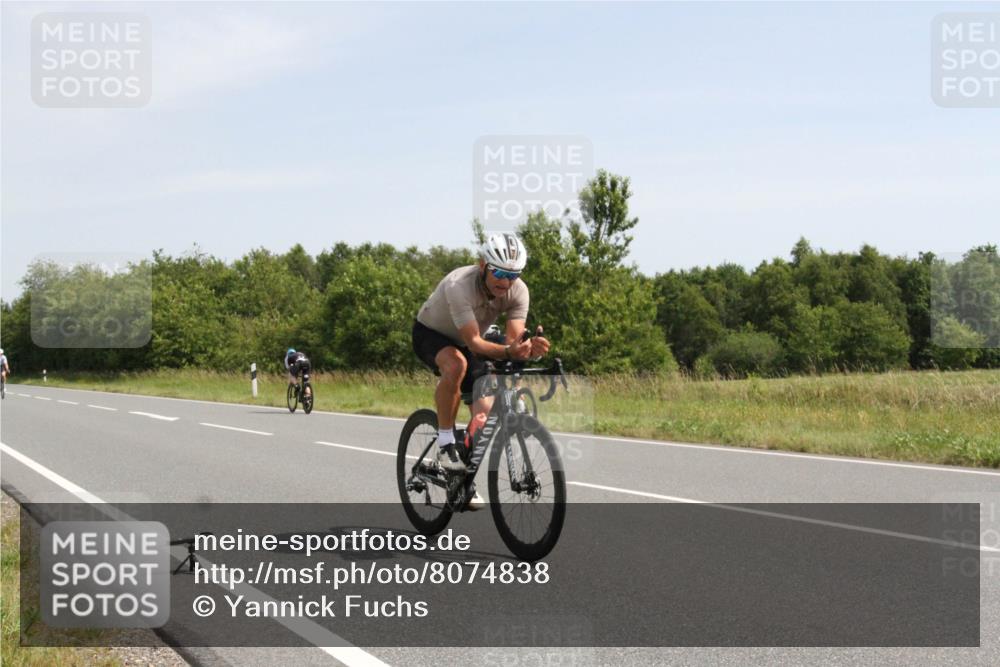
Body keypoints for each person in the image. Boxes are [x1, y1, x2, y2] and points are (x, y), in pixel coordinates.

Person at [412, 233, 550, 509]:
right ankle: (446, 443)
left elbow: (513, 340)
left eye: (513, 275)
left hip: (470, 342)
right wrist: (509, 351)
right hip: (432, 334)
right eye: (499, 273)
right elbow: (475, 342)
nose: (505, 282)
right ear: (483, 265)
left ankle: (460, 478)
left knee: (483, 414)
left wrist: (527, 348)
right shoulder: (459, 285)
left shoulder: (518, 291)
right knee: (457, 365)